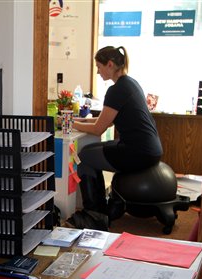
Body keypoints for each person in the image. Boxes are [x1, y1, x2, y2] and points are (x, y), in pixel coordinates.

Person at [67, 46, 163, 230]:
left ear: (110, 64)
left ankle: (95, 216)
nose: (97, 71)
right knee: (87, 151)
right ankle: (101, 207)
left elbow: (98, 129)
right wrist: (78, 120)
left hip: (138, 152)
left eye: (99, 66)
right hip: (150, 149)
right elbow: (107, 121)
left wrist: (70, 124)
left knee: (84, 158)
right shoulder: (130, 83)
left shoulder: (116, 90)